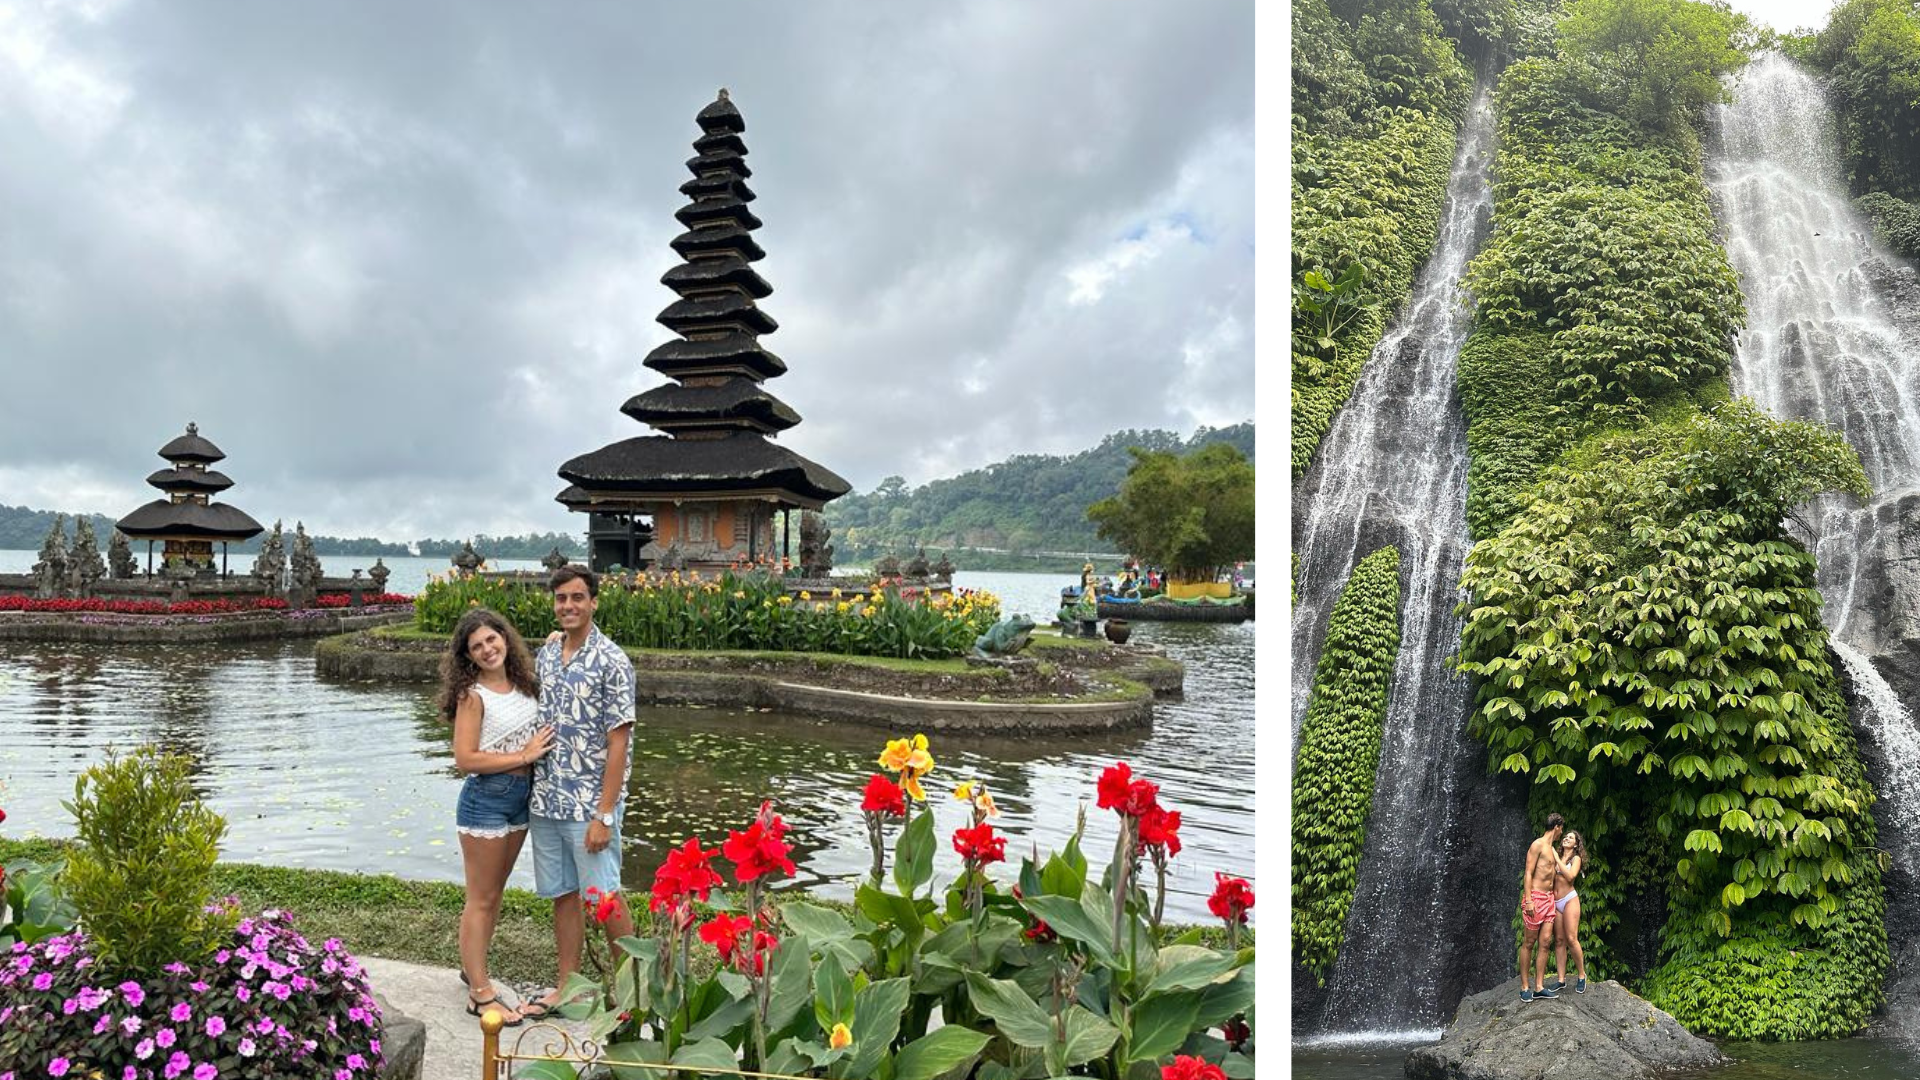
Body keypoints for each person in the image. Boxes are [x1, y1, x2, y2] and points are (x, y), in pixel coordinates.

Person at [520, 566, 638, 1020]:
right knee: (564, 895)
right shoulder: (548, 654)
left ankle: (631, 996)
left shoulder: (612, 661)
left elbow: (619, 741)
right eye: (561, 599)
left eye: (577, 598)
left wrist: (604, 814)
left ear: (593, 602)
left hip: (589, 803)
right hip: (548, 797)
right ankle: (569, 987)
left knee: (603, 898)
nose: (568, 606)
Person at [443, 607, 554, 1025]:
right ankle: (479, 992)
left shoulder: (525, 683)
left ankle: (473, 968)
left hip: (520, 797)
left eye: (492, 639)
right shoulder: (472, 695)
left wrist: (557, 640)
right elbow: (464, 758)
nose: (488, 649)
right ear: (468, 657)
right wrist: (523, 755)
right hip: (486, 799)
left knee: (494, 895)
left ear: (505, 638)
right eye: (477, 646)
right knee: (482, 898)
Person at [1518, 812, 1565, 1002]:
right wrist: (1528, 899)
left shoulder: (1552, 849)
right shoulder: (1537, 845)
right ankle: (1524, 987)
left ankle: (1539, 987)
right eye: (1561, 829)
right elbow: (1528, 873)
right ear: (1557, 827)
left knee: (1545, 943)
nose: (1562, 832)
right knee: (1529, 943)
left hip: (1549, 900)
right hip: (1535, 898)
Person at [1549, 830, 1587, 995]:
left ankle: (1581, 975)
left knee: (1571, 939)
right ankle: (1561, 979)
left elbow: (1571, 876)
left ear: (1576, 844)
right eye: (1565, 837)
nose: (1566, 838)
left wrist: (1556, 859)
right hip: (1556, 902)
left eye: (1570, 837)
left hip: (1570, 900)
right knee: (1559, 940)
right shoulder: (1555, 857)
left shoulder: (1575, 859)